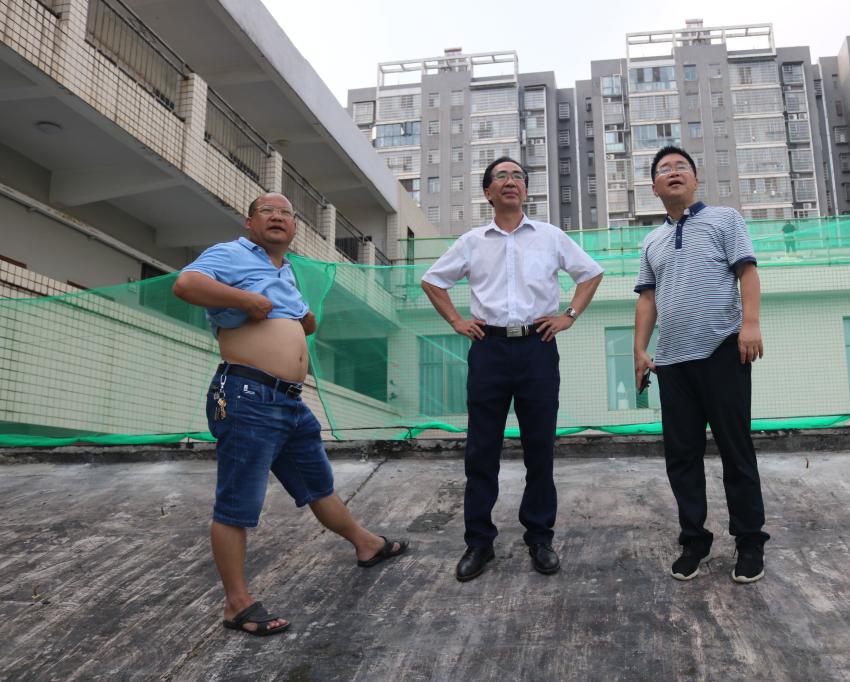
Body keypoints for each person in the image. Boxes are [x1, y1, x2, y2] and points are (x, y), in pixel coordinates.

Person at [173, 192, 407, 636]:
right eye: (268, 211)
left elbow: (303, 321)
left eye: (286, 213)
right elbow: (185, 285)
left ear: (295, 227)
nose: (278, 217)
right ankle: (236, 604)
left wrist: (295, 317)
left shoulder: (286, 271)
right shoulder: (231, 253)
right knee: (237, 503)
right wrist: (245, 302)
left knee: (318, 485)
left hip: (289, 401)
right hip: (247, 396)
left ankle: (366, 544)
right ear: (249, 223)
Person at [421, 157, 603, 582]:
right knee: (481, 450)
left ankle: (539, 537)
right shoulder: (472, 242)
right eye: (501, 176)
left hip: (538, 347)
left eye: (518, 176)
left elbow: (590, 274)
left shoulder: (550, 236)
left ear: (525, 189)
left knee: (540, 448)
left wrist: (569, 315)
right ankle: (479, 542)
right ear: (488, 192)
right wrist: (456, 321)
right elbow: (433, 280)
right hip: (489, 348)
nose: (511, 181)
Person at [633, 146, 770, 585]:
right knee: (682, 457)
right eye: (664, 169)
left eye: (681, 167)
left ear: (695, 180)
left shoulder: (725, 220)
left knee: (736, 451)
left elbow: (747, 272)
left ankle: (750, 541)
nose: (673, 172)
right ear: (654, 188)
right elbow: (647, 298)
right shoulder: (651, 241)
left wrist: (750, 324)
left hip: (722, 351)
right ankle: (694, 539)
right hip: (672, 364)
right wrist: (639, 350)